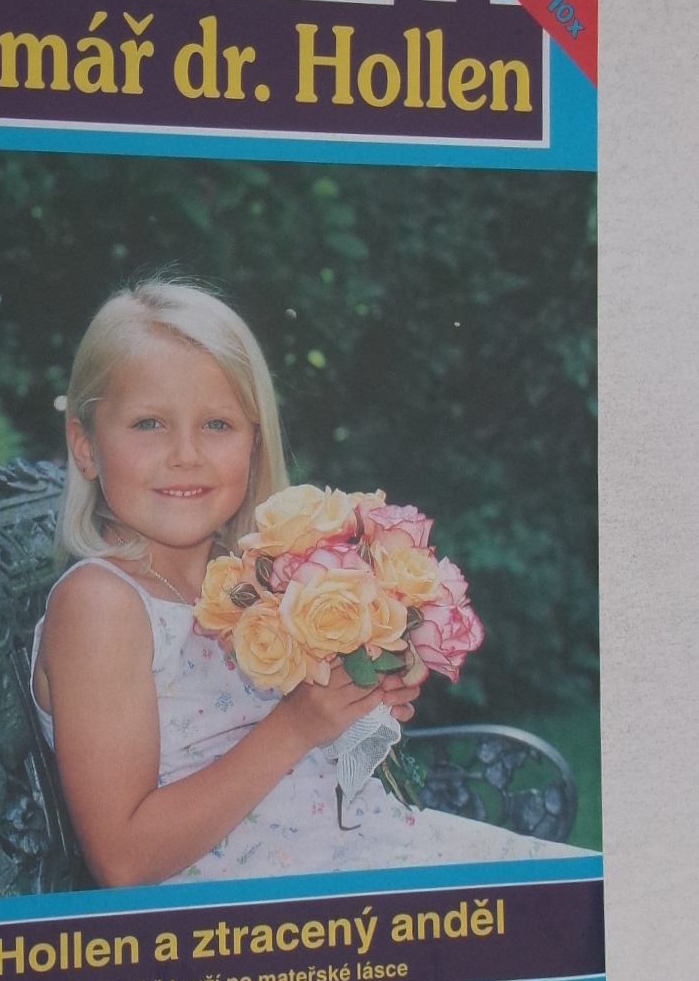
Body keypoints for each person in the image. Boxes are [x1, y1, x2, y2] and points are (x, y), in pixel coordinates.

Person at [30, 280, 580, 887]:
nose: (185, 453)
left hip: (354, 853)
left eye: (217, 424)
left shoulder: (247, 581)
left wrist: (359, 701)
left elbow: (295, 767)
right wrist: (296, 726)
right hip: (268, 918)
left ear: (254, 443)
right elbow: (123, 861)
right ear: (85, 447)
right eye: (148, 423)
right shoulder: (101, 604)